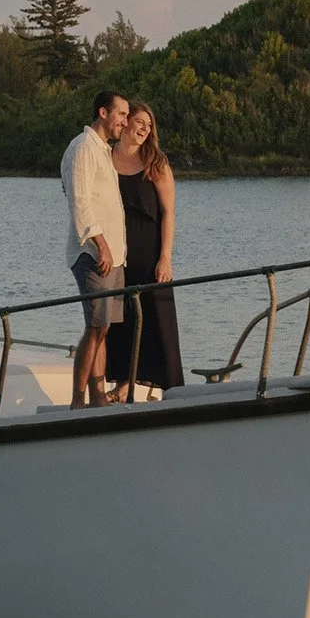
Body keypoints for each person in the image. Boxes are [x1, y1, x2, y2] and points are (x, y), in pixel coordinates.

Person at [106, 102, 182, 397]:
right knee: (120, 319)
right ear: (124, 123)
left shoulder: (156, 163)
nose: (144, 129)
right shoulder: (105, 157)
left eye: (149, 126)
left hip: (150, 251)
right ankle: (123, 386)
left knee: (157, 319)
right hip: (116, 250)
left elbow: (169, 213)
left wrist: (165, 258)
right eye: (139, 121)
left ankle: (171, 390)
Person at [60, 91, 129, 408]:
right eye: (121, 115)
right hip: (93, 254)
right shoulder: (83, 147)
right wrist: (101, 245)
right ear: (103, 112)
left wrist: (115, 250)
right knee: (96, 326)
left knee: (104, 329)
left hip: (113, 255)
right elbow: (80, 202)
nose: (124, 123)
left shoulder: (103, 150)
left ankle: (98, 397)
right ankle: (78, 401)